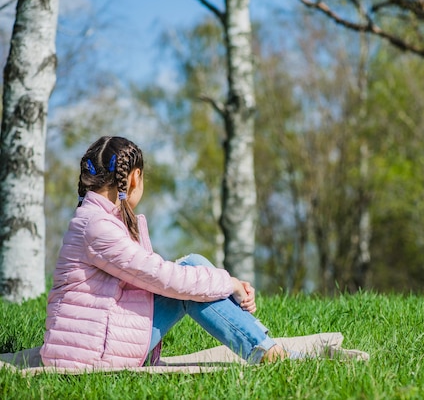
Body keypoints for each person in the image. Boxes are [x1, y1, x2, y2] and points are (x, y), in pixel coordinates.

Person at [40, 136, 288, 369]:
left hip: (95, 343)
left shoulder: (95, 219)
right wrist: (229, 282)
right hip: (94, 353)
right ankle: (267, 351)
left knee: (193, 268)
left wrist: (225, 284)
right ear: (134, 178)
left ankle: (264, 346)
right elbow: (163, 277)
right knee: (189, 277)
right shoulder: (97, 227)